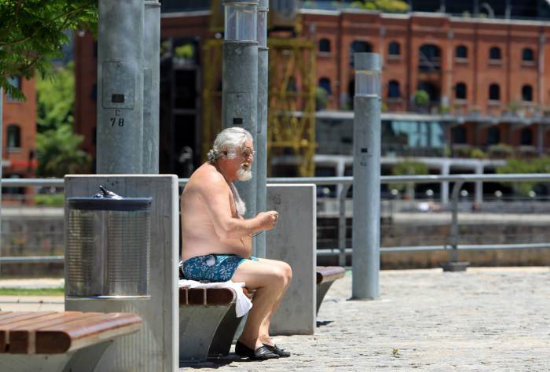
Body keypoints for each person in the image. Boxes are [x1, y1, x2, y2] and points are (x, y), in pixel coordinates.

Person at [180, 127, 293, 360]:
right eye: (245, 153)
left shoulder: (220, 178)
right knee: (274, 276)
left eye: (251, 153)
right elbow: (225, 228)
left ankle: (262, 337)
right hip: (202, 263)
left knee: (284, 270)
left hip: (221, 260)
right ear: (224, 152)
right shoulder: (210, 179)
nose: (250, 159)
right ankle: (249, 340)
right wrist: (259, 223)